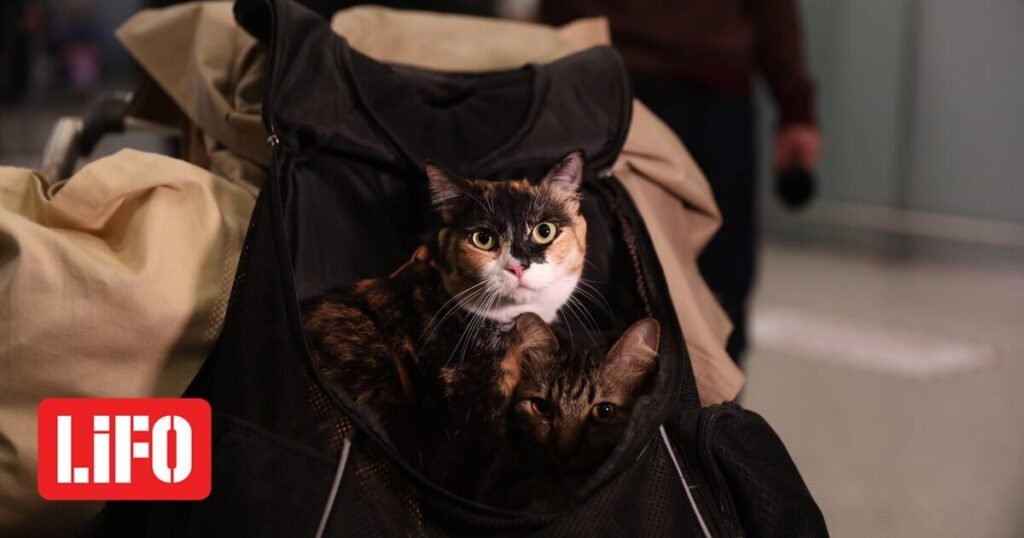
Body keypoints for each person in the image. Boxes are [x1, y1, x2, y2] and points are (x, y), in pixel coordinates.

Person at [541, 0, 823, 364]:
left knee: (598, 279)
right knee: (700, 288)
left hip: (633, 90)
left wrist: (795, 105)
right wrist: (795, 105)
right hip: (643, 89)